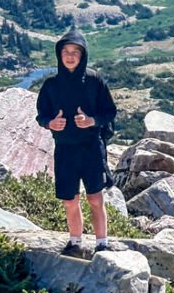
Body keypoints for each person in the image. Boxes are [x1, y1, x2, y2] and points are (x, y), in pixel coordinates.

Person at [35, 28, 120, 255]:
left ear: (83, 56)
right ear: (59, 54)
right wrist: (50, 123)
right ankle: (75, 242)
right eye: (66, 51)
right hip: (64, 149)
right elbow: (41, 115)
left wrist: (92, 120)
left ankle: (102, 243)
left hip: (91, 147)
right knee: (70, 200)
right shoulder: (50, 85)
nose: (70, 56)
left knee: (95, 197)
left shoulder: (94, 80)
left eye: (75, 52)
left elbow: (110, 112)